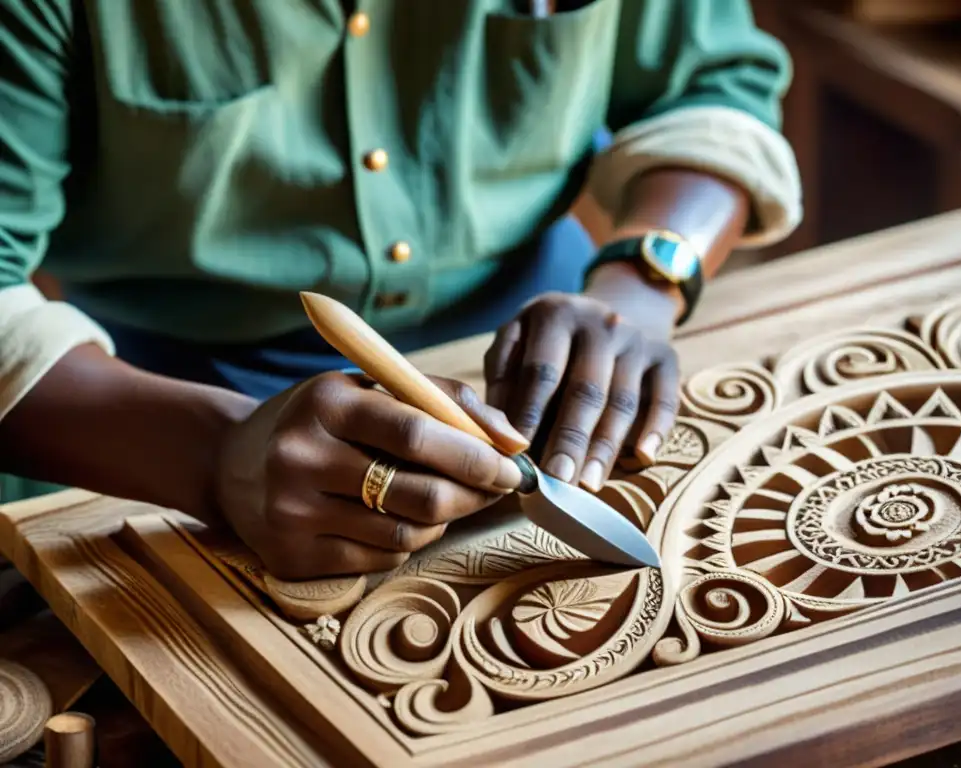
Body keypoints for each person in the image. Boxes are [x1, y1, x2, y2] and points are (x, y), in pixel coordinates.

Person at [0, 0, 800, 579]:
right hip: (141, 402)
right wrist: (216, 455)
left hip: (545, 352)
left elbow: (714, 81)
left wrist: (643, 282)